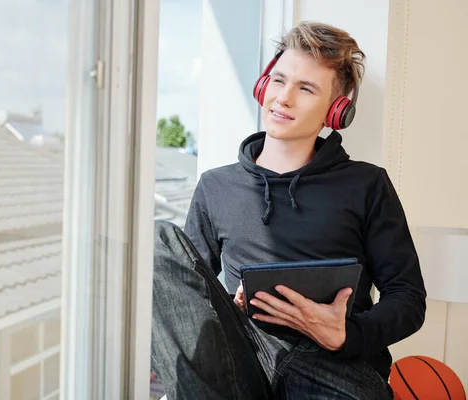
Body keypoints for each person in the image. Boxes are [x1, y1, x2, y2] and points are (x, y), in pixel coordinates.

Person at [151, 21, 427, 399]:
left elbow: (408, 298)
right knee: (158, 241)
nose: (283, 98)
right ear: (263, 86)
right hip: (243, 362)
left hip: (333, 366)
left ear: (336, 112)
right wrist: (227, 309)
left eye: (306, 88)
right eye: (278, 81)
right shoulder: (216, 187)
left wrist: (347, 334)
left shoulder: (367, 184)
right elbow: (185, 299)